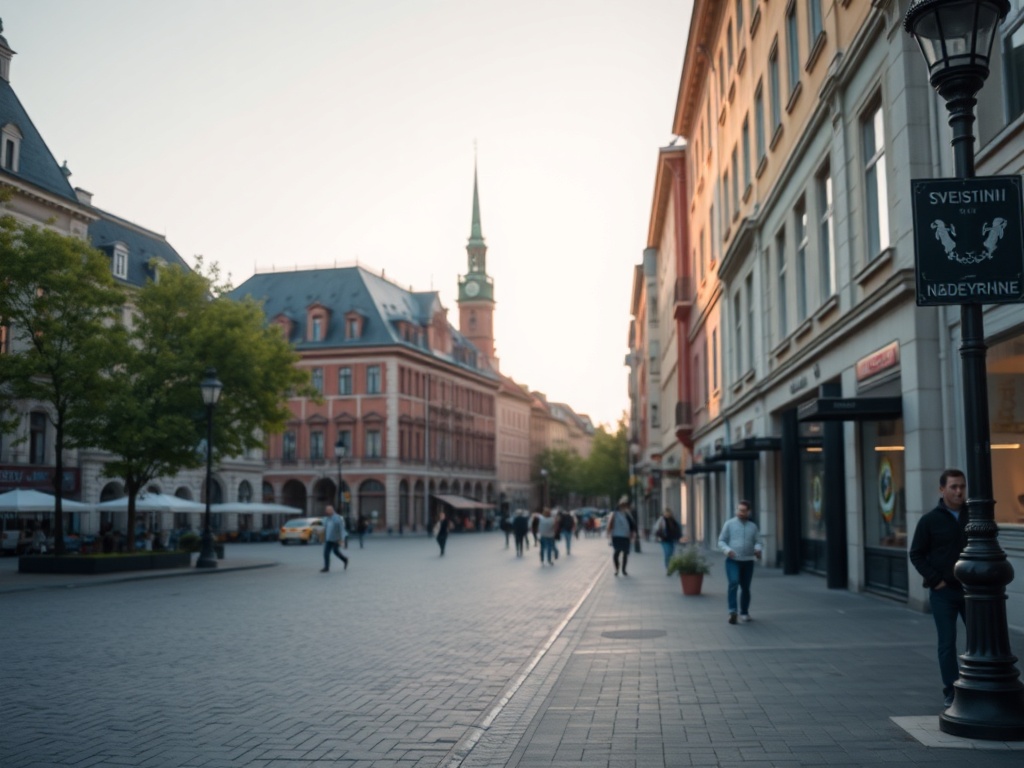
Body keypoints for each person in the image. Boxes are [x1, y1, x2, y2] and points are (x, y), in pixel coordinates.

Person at [909, 468, 968, 709]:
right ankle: (951, 690)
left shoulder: (974, 516)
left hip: (971, 591)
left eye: (962, 487)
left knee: (978, 641)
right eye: (953, 487)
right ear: (942, 490)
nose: (958, 492)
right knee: (947, 642)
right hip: (943, 592)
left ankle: (976, 685)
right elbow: (916, 554)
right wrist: (936, 580)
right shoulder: (930, 520)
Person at [718, 499, 762, 624]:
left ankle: (744, 612)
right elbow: (721, 541)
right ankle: (732, 611)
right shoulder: (729, 524)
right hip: (733, 560)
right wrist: (727, 550)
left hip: (748, 561)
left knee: (745, 588)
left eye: (743, 510)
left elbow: (758, 541)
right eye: (738, 510)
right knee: (734, 582)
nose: (740, 512)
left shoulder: (753, 527)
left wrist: (757, 549)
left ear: (749, 512)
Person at [606, 496, 637, 576]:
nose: (624, 508)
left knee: (625, 553)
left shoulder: (628, 514)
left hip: (625, 536)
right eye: (623, 506)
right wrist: (609, 533)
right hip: (616, 536)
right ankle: (617, 569)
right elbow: (610, 524)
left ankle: (623, 570)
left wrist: (633, 533)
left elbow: (632, 525)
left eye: (625, 506)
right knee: (617, 552)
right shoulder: (614, 514)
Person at [320, 505, 348, 572]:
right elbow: (325, 527)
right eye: (326, 510)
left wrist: (341, 539)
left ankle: (345, 559)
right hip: (329, 538)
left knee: (336, 551)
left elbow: (341, 529)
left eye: (328, 510)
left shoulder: (337, 518)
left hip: (336, 538)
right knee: (326, 553)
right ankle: (326, 567)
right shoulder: (327, 518)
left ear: (332, 510)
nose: (327, 511)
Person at [654, 508, 683, 574]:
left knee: (671, 554)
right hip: (664, 540)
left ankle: (671, 567)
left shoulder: (673, 520)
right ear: (663, 513)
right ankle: (668, 568)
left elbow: (677, 529)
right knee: (667, 553)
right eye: (666, 512)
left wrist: (678, 537)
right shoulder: (661, 520)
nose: (667, 514)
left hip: (672, 539)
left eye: (668, 512)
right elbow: (656, 528)